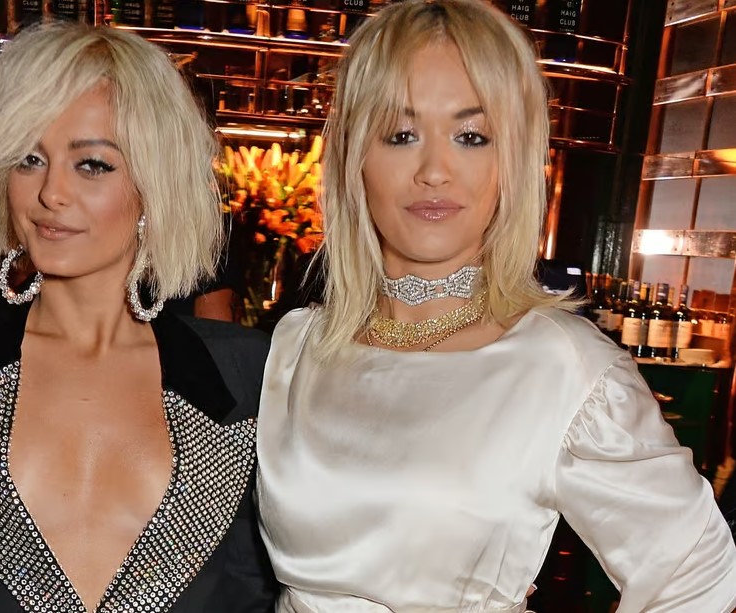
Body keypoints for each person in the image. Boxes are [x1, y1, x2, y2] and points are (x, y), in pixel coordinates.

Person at [255, 1, 736, 611]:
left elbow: (696, 574)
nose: (434, 171)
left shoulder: (561, 366)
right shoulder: (298, 343)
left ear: (512, 161)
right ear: (355, 157)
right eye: (401, 135)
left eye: (471, 137)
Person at [0, 22, 274, 612]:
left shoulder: (245, 373)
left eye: (93, 165)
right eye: (29, 159)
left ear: (153, 184)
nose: (51, 192)